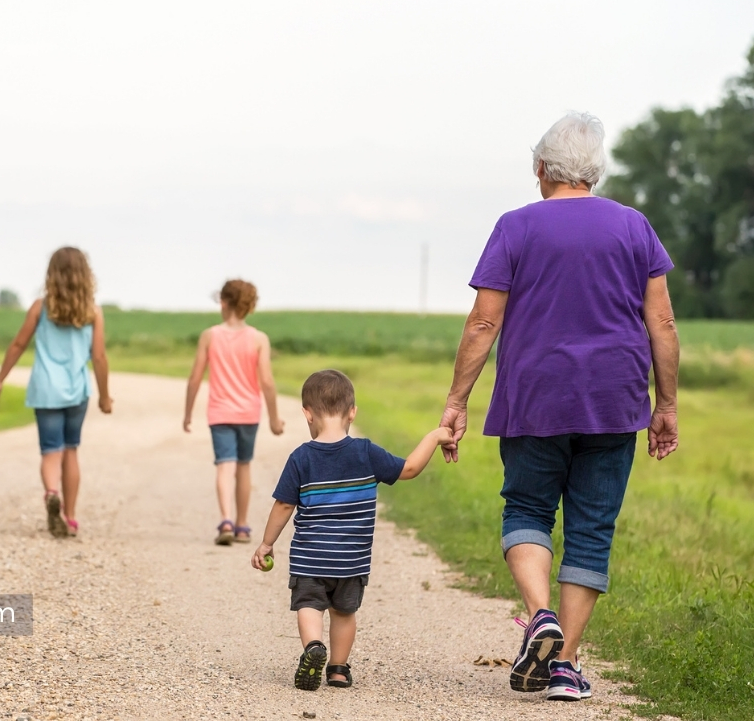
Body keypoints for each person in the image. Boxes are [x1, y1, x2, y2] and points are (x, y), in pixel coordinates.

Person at [439, 112, 679, 702]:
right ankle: (566, 665)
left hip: (534, 396)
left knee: (527, 506)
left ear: (542, 169)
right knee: (592, 528)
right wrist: (666, 403)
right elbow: (662, 321)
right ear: (593, 172)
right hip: (615, 399)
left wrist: (457, 400)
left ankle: (539, 614)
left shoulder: (516, 227)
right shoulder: (634, 227)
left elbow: (483, 321)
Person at [251, 369, 454, 690]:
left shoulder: (300, 458)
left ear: (307, 413)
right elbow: (410, 468)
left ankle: (313, 647)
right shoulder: (366, 452)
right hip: (351, 561)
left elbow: (284, 506)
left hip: (311, 559)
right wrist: (434, 436)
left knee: (309, 606)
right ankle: (338, 669)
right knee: (344, 613)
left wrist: (266, 543)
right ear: (352, 411)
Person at [0, 247, 113, 538]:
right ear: (86, 275)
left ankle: (51, 493)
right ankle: (69, 517)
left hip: (45, 390)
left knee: (50, 451)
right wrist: (105, 396)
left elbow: (18, 345)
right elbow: (99, 357)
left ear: (51, 275)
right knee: (71, 450)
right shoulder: (93, 312)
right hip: (76, 392)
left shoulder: (39, 308)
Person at [183, 279, 284, 545]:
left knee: (224, 466)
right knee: (243, 465)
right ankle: (241, 525)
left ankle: (226, 520)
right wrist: (274, 418)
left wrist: (188, 412)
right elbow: (267, 382)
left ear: (224, 302)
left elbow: (195, 378)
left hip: (219, 413)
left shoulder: (210, 335)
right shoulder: (259, 339)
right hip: (249, 413)